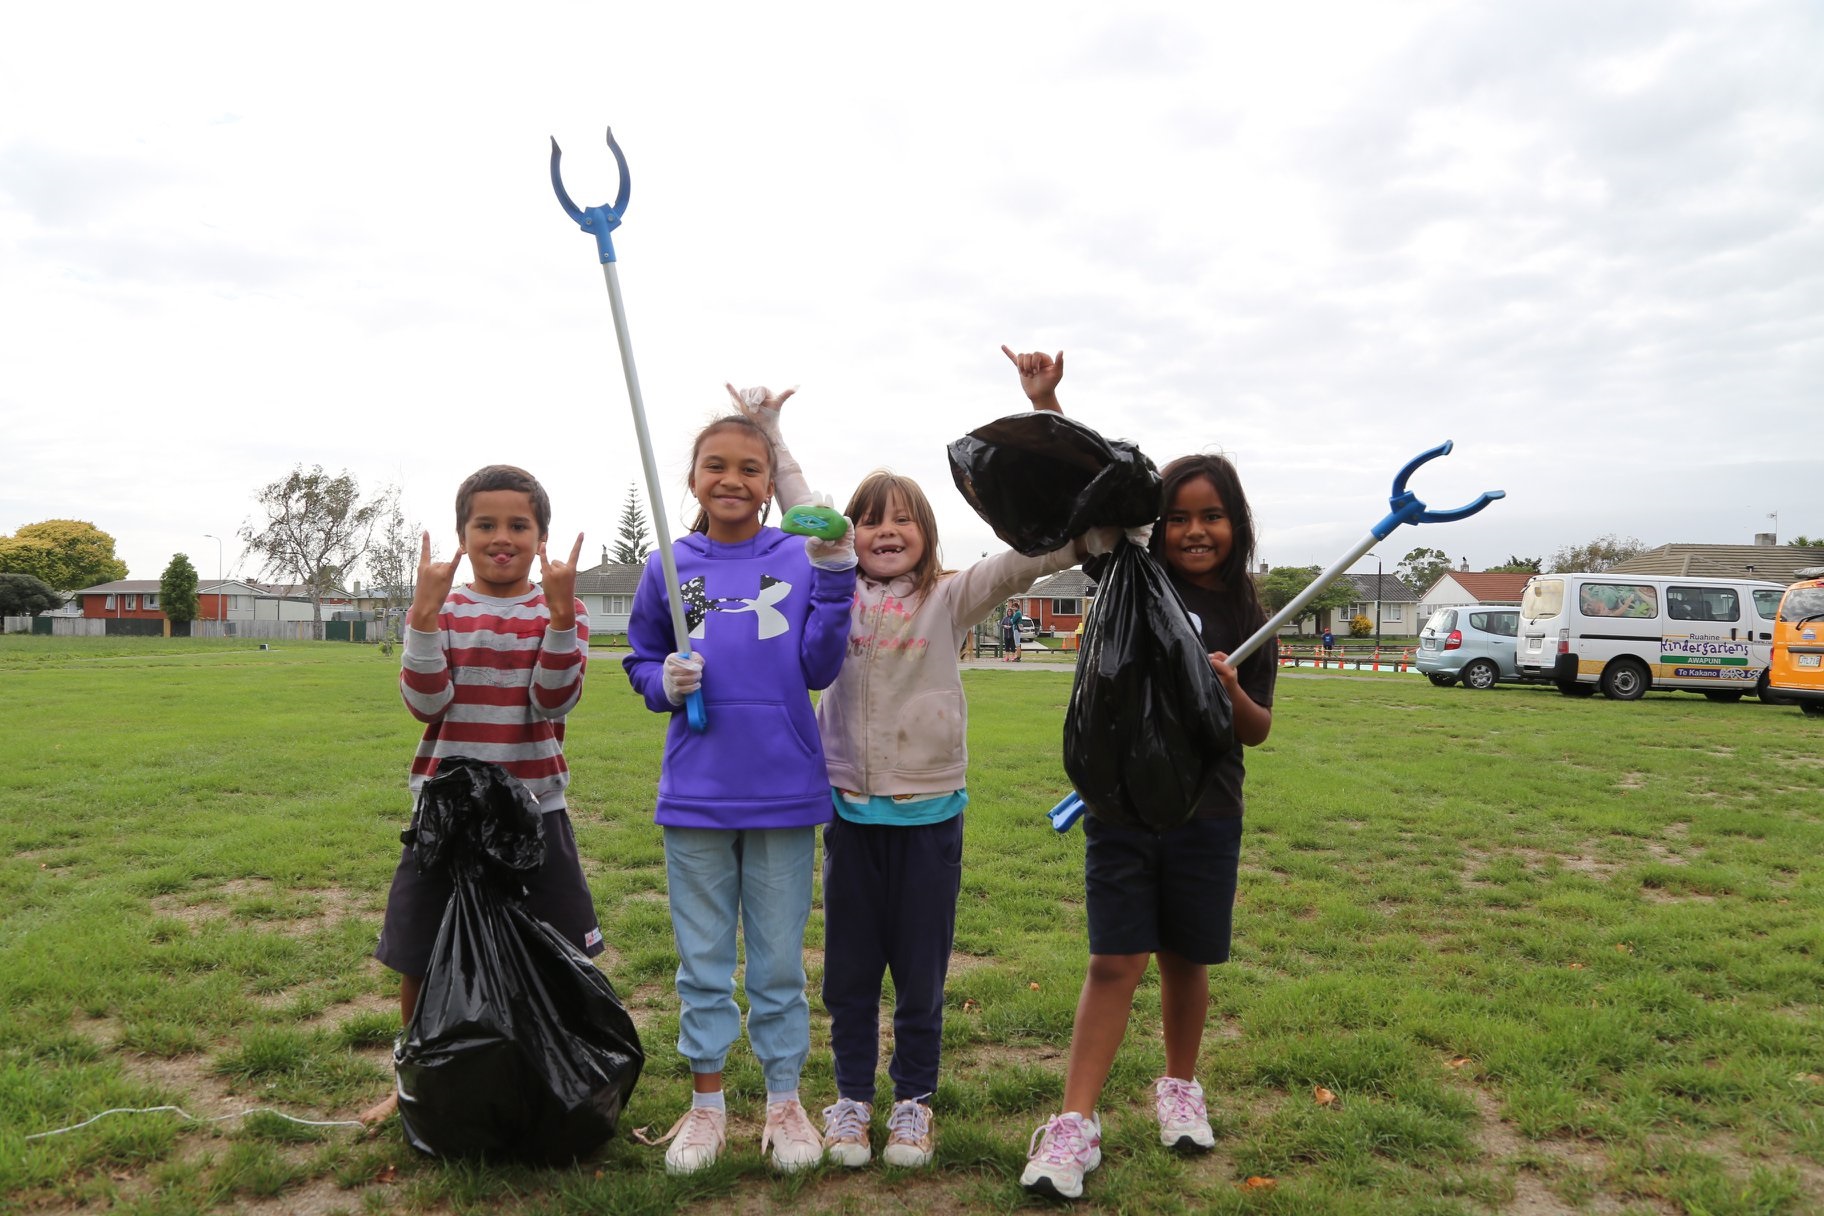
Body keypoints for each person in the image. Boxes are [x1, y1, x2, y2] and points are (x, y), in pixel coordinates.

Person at [729, 347, 1135, 1171]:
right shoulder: (830, 593)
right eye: (870, 518)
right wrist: (771, 431)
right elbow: (806, 510)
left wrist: (1071, 469)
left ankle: (912, 1102)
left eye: (903, 518)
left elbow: (1037, 551)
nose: (885, 530)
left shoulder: (952, 597)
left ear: (926, 536)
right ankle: (849, 1099)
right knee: (848, 974)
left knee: (918, 974)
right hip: (849, 814)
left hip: (930, 821)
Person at [1019, 442, 1277, 1199]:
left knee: (1184, 958)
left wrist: (1226, 687)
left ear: (1238, 524)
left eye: (1214, 516)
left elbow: (1257, 729)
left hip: (1208, 810)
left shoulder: (1252, 611)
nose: (1196, 531)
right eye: (1180, 517)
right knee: (1114, 961)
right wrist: (1050, 409)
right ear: (1156, 528)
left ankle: (1180, 1087)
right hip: (1122, 806)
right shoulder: (1136, 575)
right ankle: (1074, 1123)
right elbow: (1091, 500)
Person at [623, 411, 858, 1175]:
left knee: (778, 963)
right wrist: (663, 679)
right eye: (715, 465)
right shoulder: (667, 563)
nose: (732, 479)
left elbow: (820, 665)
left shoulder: (799, 555)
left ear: (768, 485)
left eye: (750, 468)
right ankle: (707, 1106)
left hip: (785, 790)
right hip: (696, 792)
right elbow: (639, 658)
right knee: (701, 961)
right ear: (692, 479)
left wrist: (835, 579)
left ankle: (784, 1101)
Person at [364, 464, 595, 1126]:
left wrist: (555, 617)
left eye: (518, 525)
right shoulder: (445, 609)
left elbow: (556, 701)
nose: (502, 537)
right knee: (420, 952)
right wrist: (424, 616)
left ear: (541, 536)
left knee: (560, 948)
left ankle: (559, 1073)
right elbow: (425, 702)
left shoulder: (566, 610)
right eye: (484, 524)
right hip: (445, 817)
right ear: (463, 535)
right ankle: (416, 1079)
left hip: (535, 813)